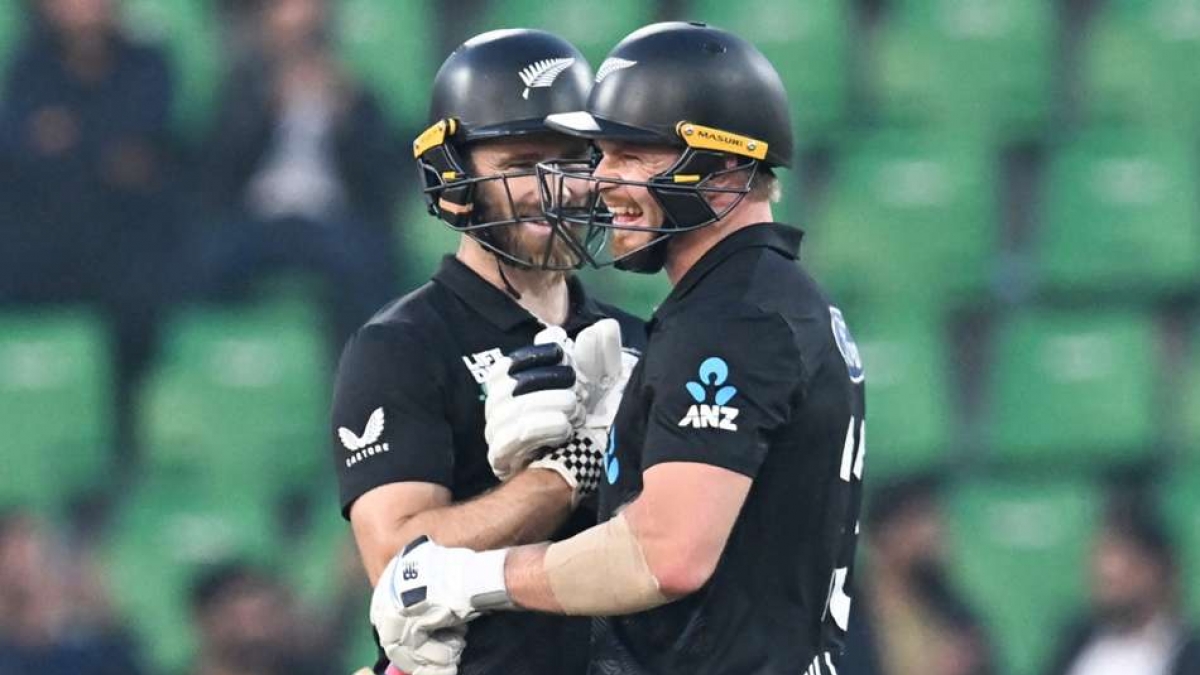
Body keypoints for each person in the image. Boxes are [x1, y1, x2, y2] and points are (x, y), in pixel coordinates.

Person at [370, 21, 868, 675]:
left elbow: (665, 555)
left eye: (632, 155)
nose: (600, 179)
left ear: (725, 170)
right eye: (601, 153)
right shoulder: (761, 298)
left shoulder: (731, 317)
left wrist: (475, 577)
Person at [330, 29, 646, 675]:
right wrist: (572, 467)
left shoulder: (639, 340)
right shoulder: (401, 346)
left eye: (572, 159)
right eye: (522, 163)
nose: (554, 187)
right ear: (455, 178)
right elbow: (397, 562)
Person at [0, 0, 180, 463]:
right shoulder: (30, 65)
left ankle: (122, 447)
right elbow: (20, 150)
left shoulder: (146, 63)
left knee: (141, 297)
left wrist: (69, 139)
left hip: (126, 240)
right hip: (46, 240)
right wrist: (99, 146)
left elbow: (141, 155)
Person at [195, 0, 401, 349]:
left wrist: (347, 120)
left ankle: (358, 364)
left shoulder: (352, 89)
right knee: (205, 259)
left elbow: (379, 178)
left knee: (368, 263)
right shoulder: (243, 85)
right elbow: (219, 170)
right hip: (258, 218)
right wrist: (266, 111)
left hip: (329, 218)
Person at [841, 476, 995, 675]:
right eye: (917, 523)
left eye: (934, 521)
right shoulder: (847, 611)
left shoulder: (946, 602)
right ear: (885, 534)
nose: (931, 534)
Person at [1043, 497, 1200, 675]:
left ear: (1153, 570)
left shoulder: (1188, 655)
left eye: (1119, 555)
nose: (1104, 569)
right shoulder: (1076, 639)